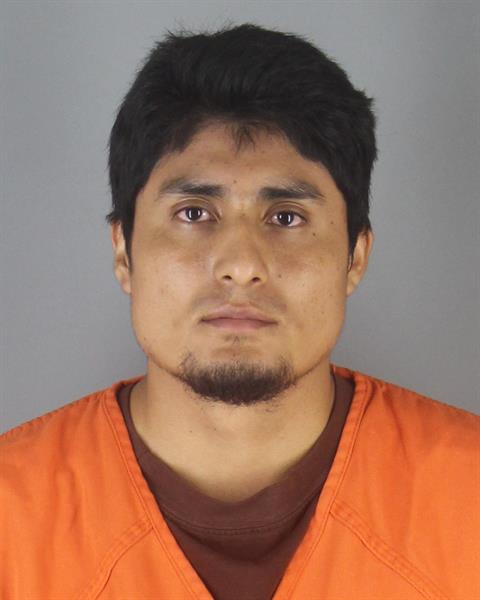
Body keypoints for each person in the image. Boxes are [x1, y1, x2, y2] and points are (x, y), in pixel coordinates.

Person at [1, 23, 478, 600]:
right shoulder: (12, 516)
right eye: (194, 213)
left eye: (286, 218)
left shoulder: (468, 496)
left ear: (355, 256)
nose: (241, 265)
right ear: (124, 251)